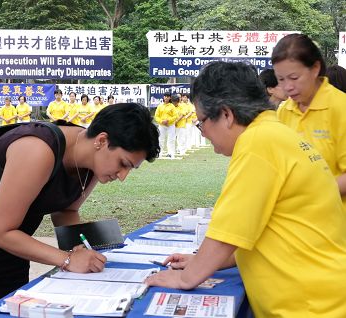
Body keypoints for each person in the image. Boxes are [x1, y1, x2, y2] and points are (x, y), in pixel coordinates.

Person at [145, 61, 346, 317]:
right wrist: (200, 262)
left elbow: (228, 230)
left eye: (202, 122)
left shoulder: (257, 142)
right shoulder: (275, 132)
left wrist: (187, 278)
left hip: (311, 305)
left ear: (227, 115)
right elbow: (254, 232)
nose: (203, 133)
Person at [0, 103, 160, 317]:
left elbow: (66, 211)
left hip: (12, 229)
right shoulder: (38, 149)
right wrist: (67, 259)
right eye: (123, 164)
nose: (122, 176)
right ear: (102, 140)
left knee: (12, 302)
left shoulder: (92, 160)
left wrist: (82, 251)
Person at [272, 33, 346, 210]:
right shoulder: (284, 111)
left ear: (315, 68)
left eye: (294, 78)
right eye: (281, 79)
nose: (287, 86)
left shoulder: (340, 107)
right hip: (296, 221)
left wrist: (313, 196)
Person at [154, 92, 176, 158]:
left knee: (171, 139)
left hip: (170, 125)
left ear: (170, 98)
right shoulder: (160, 106)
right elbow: (156, 116)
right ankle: (159, 153)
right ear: (163, 97)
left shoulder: (172, 106)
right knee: (161, 139)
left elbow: (175, 116)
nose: (166, 97)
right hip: (162, 125)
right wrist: (161, 121)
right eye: (165, 96)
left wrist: (168, 121)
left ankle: (170, 153)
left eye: (167, 96)